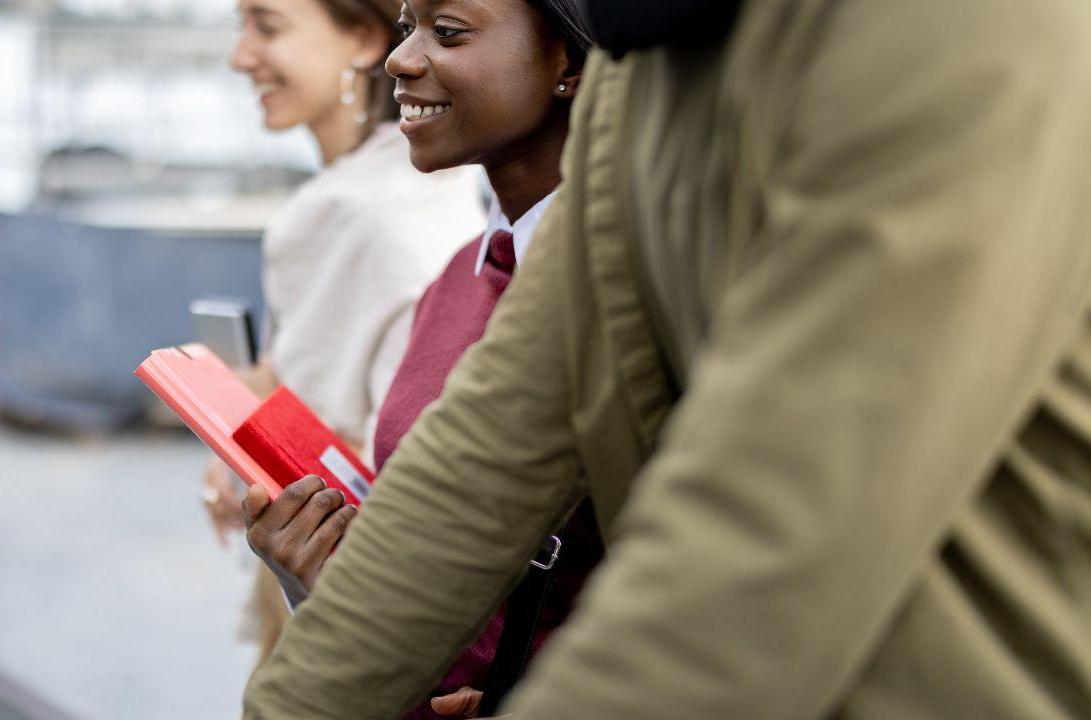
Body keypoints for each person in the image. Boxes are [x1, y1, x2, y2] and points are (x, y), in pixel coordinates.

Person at [242, 0, 1091, 718]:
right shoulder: (641, 65)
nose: (406, 56)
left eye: (450, 30)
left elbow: (765, 545)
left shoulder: (956, 28)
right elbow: (488, 448)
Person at [238, 1, 598, 717]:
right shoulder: (460, 276)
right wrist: (317, 576)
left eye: (449, 32)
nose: (402, 60)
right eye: (408, 28)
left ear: (568, 63)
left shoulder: (615, 296)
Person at [199, 0, 485, 660]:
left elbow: (365, 437)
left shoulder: (360, 216)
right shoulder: (423, 189)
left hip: (342, 593)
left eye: (267, 26)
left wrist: (241, 449)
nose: (241, 55)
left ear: (362, 38)